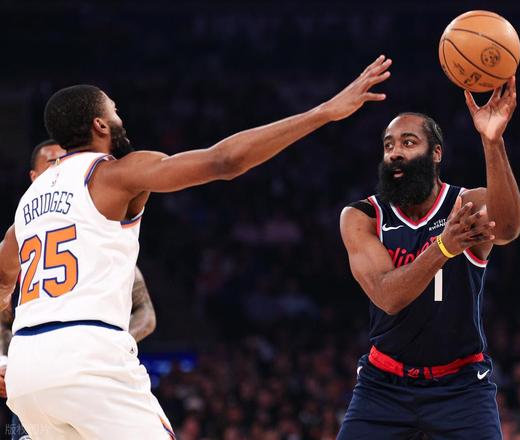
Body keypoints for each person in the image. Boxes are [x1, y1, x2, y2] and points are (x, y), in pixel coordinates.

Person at [0, 55, 392, 439]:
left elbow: (3, 278)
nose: (121, 117)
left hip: (25, 368)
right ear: (100, 124)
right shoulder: (114, 173)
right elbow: (224, 161)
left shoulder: (28, 201)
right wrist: (324, 112)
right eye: (114, 110)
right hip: (86, 355)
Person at [338, 77, 520, 439]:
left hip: (461, 385)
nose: (395, 152)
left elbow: (508, 228)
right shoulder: (363, 216)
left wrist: (492, 142)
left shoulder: (466, 204)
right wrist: (444, 247)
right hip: (384, 384)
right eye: (389, 145)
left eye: (408, 142)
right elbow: (388, 296)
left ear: (436, 153)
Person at [0, 140, 157, 440]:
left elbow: (146, 313)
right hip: (37, 368)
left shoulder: (97, 233)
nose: (63, 165)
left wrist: (109, 340)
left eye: (66, 159)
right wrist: (3, 360)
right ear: (34, 177)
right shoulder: (21, 234)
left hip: (78, 364)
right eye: (53, 162)